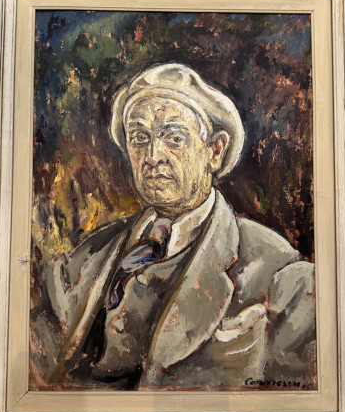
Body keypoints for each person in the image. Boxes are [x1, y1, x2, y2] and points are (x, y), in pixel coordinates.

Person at [35, 63, 315, 390]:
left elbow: (294, 403)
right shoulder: (84, 259)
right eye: (139, 138)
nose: (153, 155)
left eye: (175, 138)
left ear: (215, 151)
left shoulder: (281, 275)